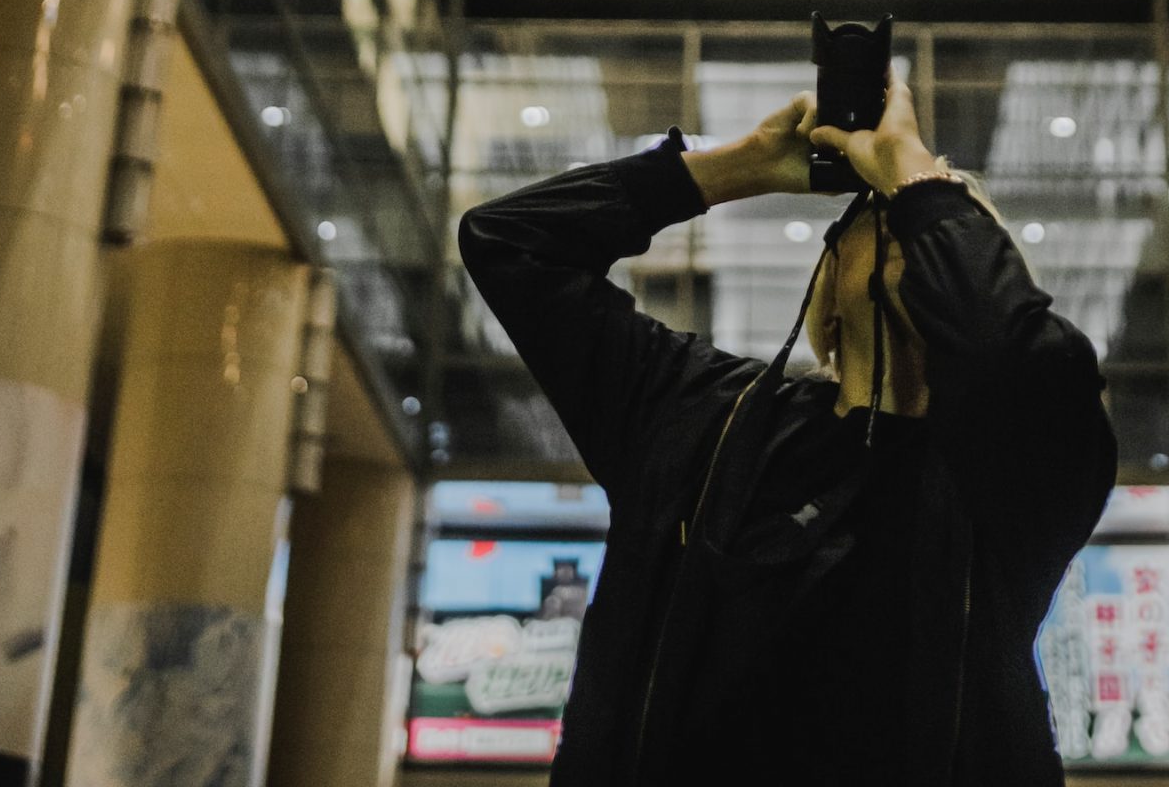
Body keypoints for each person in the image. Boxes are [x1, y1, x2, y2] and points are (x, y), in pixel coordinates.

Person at [459, 68, 1119, 786]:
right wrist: (735, 168)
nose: (908, 212)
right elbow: (509, 241)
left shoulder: (1022, 467)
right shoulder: (696, 414)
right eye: (884, 213)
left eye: (943, 223)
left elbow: (1012, 357)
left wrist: (916, 177)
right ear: (828, 292)